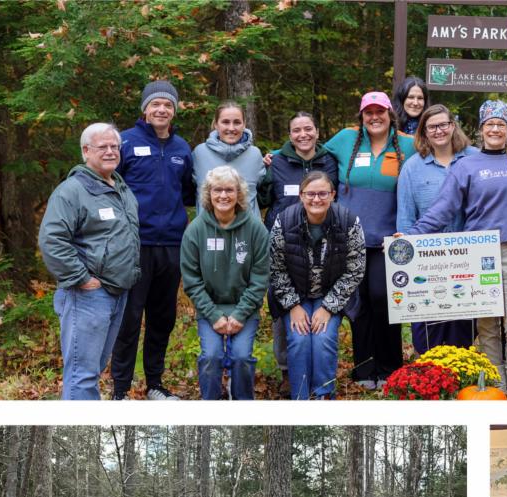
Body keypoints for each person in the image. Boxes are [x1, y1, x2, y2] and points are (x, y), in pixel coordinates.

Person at [407, 100, 507, 399]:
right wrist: (411, 237)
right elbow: (443, 209)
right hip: (479, 254)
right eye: (489, 124)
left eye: (500, 125)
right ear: (481, 130)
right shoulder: (466, 165)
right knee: (488, 326)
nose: (495, 129)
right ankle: (496, 386)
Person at [39, 123, 142, 400]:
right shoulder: (72, 191)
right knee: (81, 376)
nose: (110, 152)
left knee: (93, 370)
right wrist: (82, 279)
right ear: (86, 151)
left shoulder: (120, 187)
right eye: (102, 147)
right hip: (87, 295)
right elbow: (52, 239)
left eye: (114, 147)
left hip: (117, 292)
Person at [324, 91, 416, 390]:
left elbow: (443, 155)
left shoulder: (408, 145)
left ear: (391, 114)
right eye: (368, 112)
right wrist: (275, 157)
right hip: (349, 240)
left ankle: (390, 367)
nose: (374, 117)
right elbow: (309, 152)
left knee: (383, 299)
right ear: (361, 116)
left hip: (388, 241)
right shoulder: (345, 139)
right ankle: (365, 368)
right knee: (357, 304)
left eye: (380, 111)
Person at [111, 80, 196, 401]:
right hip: (134, 245)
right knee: (130, 317)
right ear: (145, 109)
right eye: (156, 104)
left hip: (172, 245)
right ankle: (120, 389)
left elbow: (188, 191)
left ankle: (155, 384)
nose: (161, 109)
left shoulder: (181, 148)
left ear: (174, 111)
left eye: (168, 105)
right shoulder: (125, 143)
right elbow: (110, 185)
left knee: (163, 317)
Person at [258, 111, 340, 396]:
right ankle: (287, 372)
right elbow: (262, 197)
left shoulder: (329, 160)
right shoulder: (276, 161)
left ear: (317, 132)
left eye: (308, 129)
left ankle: (320, 383)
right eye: (296, 130)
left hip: (323, 245)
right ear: (289, 134)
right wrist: (261, 167)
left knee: (318, 322)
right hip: (285, 244)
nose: (303, 135)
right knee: (285, 312)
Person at [269, 170, 365, 399]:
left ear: (332, 194)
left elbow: (356, 269)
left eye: (323, 193)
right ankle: (300, 395)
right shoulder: (284, 221)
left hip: (330, 293)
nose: (316, 199)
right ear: (301, 195)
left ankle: (323, 394)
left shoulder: (349, 221)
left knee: (323, 338)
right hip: (294, 294)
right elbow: (275, 267)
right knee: (299, 338)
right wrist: (292, 306)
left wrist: (328, 307)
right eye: (310, 194)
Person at [180, 165, 269, 400]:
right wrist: (213, 315)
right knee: (211, 357)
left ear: (239, 194)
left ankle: (241, 402)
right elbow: (191, 280)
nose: (223, 196)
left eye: (229, 190)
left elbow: (260, 279)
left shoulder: (255, 229)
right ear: (208, 194)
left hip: (244, 308)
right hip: (210, 309)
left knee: (241, 357)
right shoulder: (196, 230)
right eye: (217, 190)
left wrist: (240, 315)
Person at [395, 104, 477, 353]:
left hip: (466, 258)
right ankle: (430, 380)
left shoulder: (474, 158)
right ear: (424, 132)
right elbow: (406, 216)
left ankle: (459, 375)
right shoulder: (412, 167)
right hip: (427, 260)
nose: (439, 130)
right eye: (432, 127)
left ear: (453, 126)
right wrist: (404, 252)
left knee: (462, 327)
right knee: (427, 330)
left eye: (444, 124)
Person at [192, 101, 264, 213]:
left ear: (244, 124)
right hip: (208, 228)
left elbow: (264, 190)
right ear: (216, 124)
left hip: (248, 229)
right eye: (225, 122)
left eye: (237, 122)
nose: (231, 128)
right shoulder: (200, 153)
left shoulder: (255, 155)